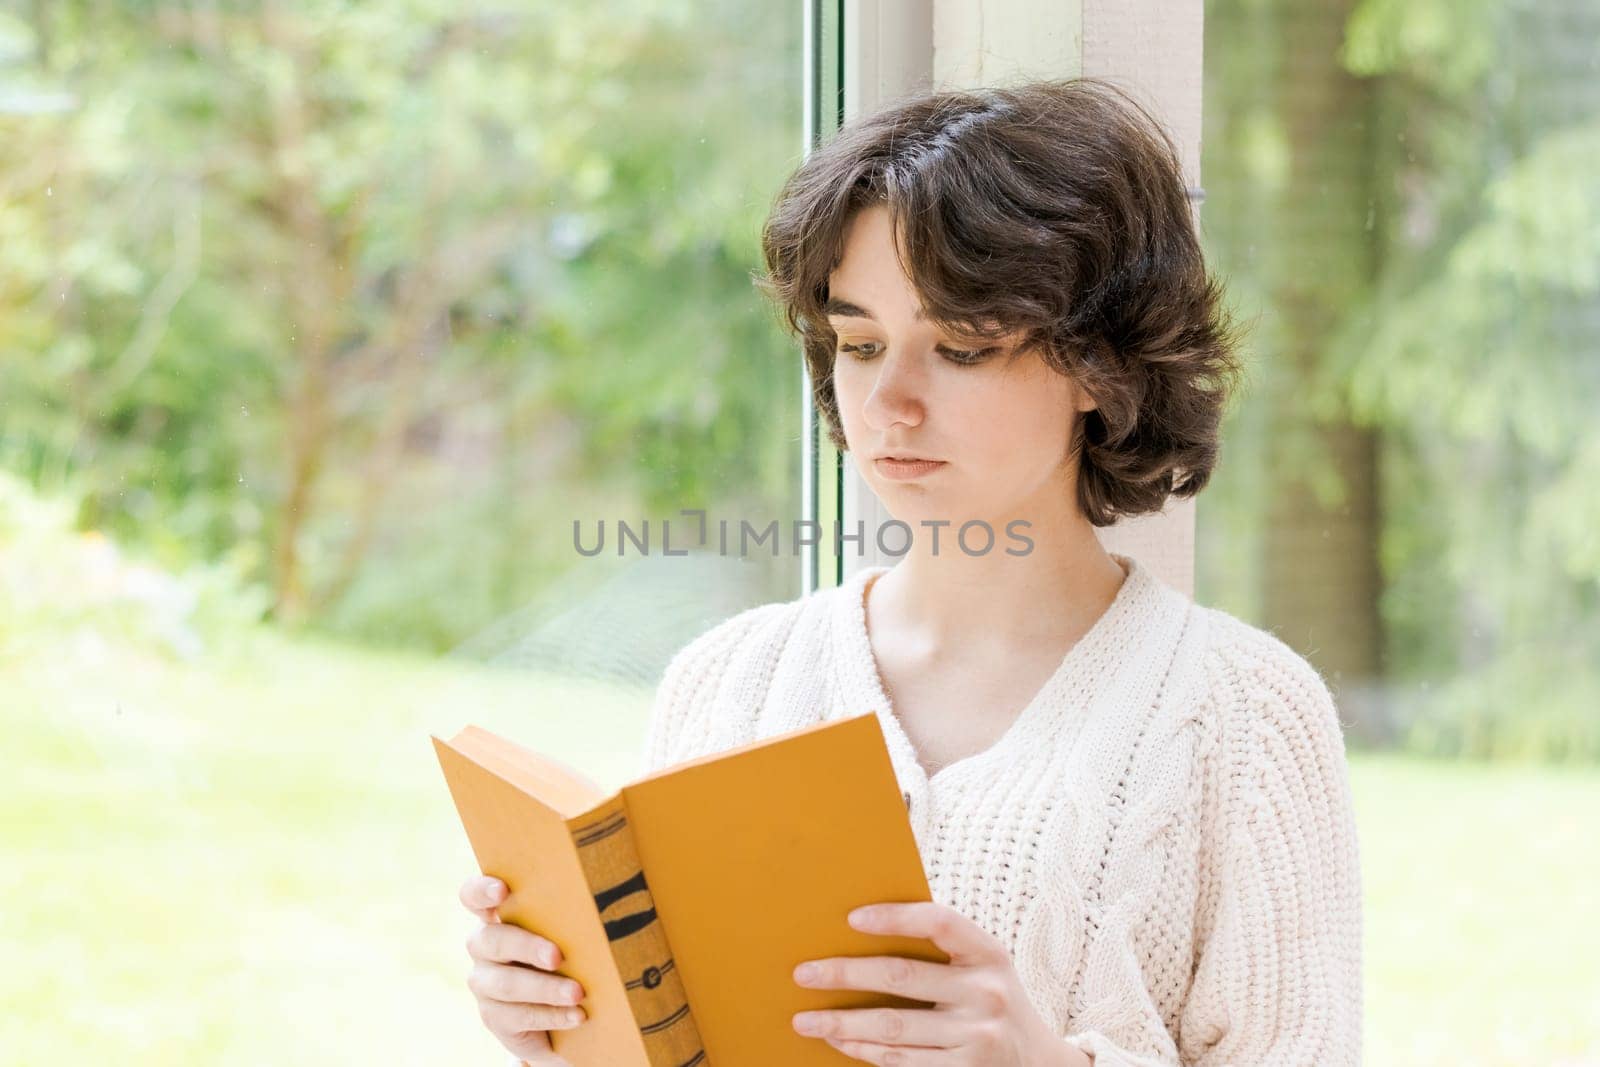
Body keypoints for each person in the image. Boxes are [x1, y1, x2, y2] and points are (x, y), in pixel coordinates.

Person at [460, 77, 1363, 1067]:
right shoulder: (727, 683)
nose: (886, 401)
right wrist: (566, 1028)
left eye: (962, 348)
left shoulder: (1248, 718)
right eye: (858, 342)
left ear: (1100, 368)